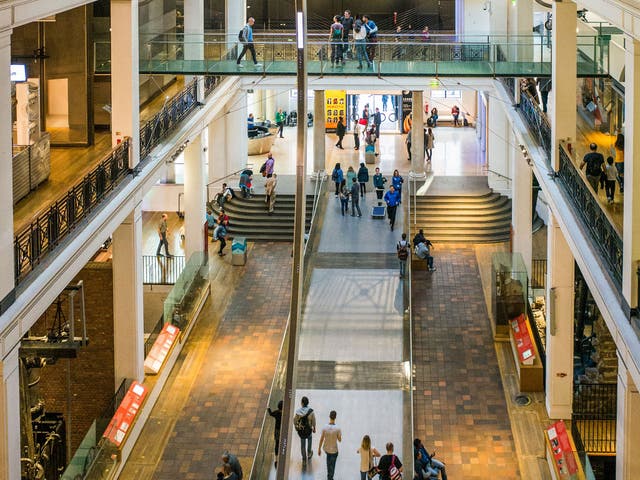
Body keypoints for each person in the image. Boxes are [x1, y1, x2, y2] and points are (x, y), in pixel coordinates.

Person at [317, 410, 342, 480]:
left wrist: (319, 449)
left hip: (327, 449)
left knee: (328, 463)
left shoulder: (325, 427)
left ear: (329, 416)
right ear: (335, 417)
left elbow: (321, 439)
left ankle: (329, 476)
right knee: (332, 466)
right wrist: (337, 435)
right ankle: (330, 478)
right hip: (334, 450)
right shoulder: (338, 428)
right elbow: (340, 440)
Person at [293, 396, 316, 463]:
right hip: (308, 430)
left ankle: (304, 459)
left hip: (301, 431)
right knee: (310, 439)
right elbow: (314, 421)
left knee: (302, 445)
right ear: (307, 403)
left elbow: (294, 421)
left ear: (302, 403)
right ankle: (309, 453)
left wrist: (297, 428)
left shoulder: (298, 412)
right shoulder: (311, 411)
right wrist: (314, 428)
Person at [268, 400, 283, 464]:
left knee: (277, 444)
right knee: (283, 443)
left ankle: (276, 459)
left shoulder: (276, 412)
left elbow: (271, 413)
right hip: (283, 430)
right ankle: (283, 456)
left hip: (277, 430)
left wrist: (268, 408)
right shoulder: (285, 414)